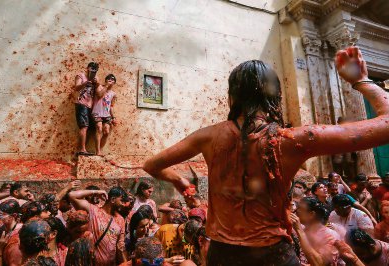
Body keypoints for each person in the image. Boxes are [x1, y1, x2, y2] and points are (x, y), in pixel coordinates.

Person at [143, 46, 389, 264]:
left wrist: (179, 180)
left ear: (232, 98)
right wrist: (362, 80)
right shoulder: (293, 139)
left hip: (221, 254)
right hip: (273, 255)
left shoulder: (207, 136)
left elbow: (151, 165)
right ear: (276, 98)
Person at [69, 187, 129, 265]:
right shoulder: (94, 211)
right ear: (113, 200)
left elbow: (120, 247)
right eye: (121, 201)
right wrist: (96, 191)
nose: (124, 205)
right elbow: (71, 195)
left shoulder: (120, 220)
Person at [290, 197, 341, 265]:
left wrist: (300, 231)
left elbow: (319, 263)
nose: (296, 211)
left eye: (300, 209)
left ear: (311, 214)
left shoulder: (330, 236)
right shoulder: (301, 229)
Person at [75, 62, 99, 156]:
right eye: (92, 68)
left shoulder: (95, 78)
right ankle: (82, 149)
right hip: (81, 103)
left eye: (95, 69)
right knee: (84, 126)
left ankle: (83, 148)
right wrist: (85, 83)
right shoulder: (80, 75)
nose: (93, 70)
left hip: (90, 106)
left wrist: (96, 83)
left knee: (91, 127)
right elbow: (76, 88)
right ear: (87, 68)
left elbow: (99, 93)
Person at [92, 74, 118, 156]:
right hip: (97, 112)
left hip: (106, 114)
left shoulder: (113, 94)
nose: (111, 81)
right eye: (109, 79)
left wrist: (113, 117)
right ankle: (98, 151)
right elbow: (99, 95)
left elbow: (111, 106)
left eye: (113, 80)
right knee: (99, 128)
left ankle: (100, 149)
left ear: (114, 83)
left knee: (106, 131)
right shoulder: (99, 86)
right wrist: (106, 86)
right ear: (105, 80)